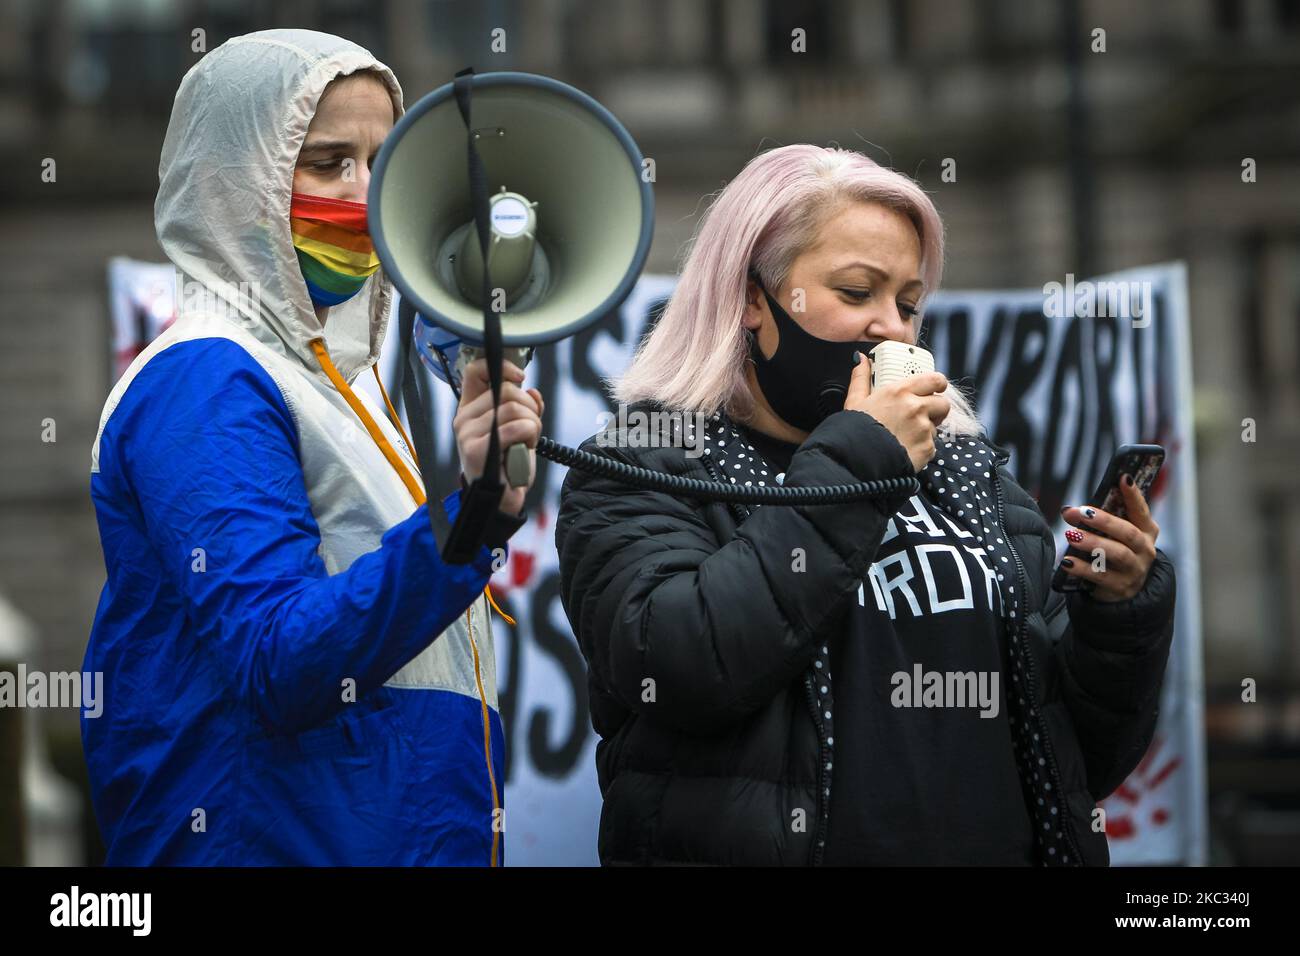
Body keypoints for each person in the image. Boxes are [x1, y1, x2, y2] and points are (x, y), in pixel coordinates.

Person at [555, 144, 1176, 866]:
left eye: (908, 303)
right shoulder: (643, 463)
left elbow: (1074, 763)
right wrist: (862, 461)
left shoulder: (969, 479)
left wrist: (1119, 617)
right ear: (753, 298)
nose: (894, 327)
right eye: (857, 293)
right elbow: (681, 666)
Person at [83, 29, 543, 866]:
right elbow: (280, 659)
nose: (366, 195)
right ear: (236, 183)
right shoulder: (206, 380)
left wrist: (480, 504)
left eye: (381, 163)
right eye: (328, 162)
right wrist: (465, 526)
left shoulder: (338, 385)